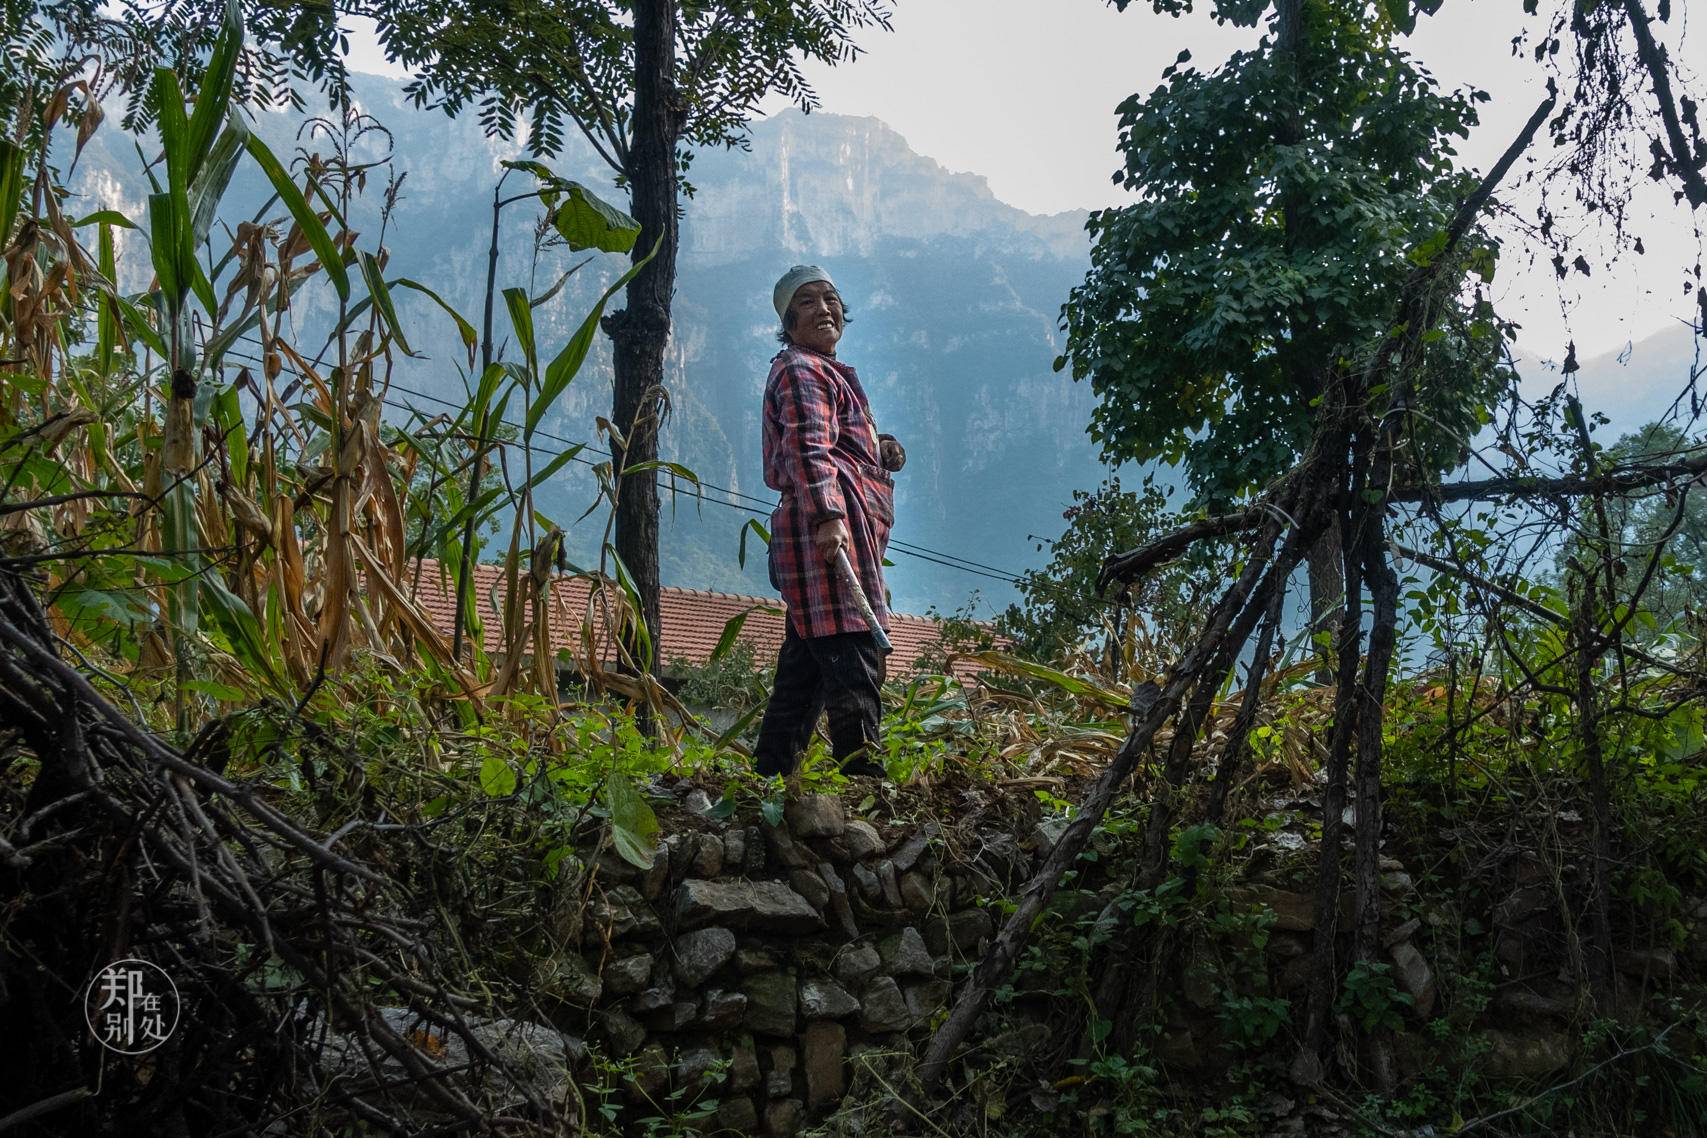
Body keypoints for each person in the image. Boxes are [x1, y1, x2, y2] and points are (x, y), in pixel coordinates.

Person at [753, 265, 906, 779]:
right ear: (789, 322)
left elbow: (833, 441)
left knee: (805, 670)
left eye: (831, 299)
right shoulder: (801, 369)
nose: (824, 309)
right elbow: (807, 448)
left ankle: (769, 781)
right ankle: (866, 784)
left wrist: (878, 449)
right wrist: (828, 517)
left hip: (838, 530)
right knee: (852, 653)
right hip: (826, 535)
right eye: (808, 302)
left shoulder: (826, 372)